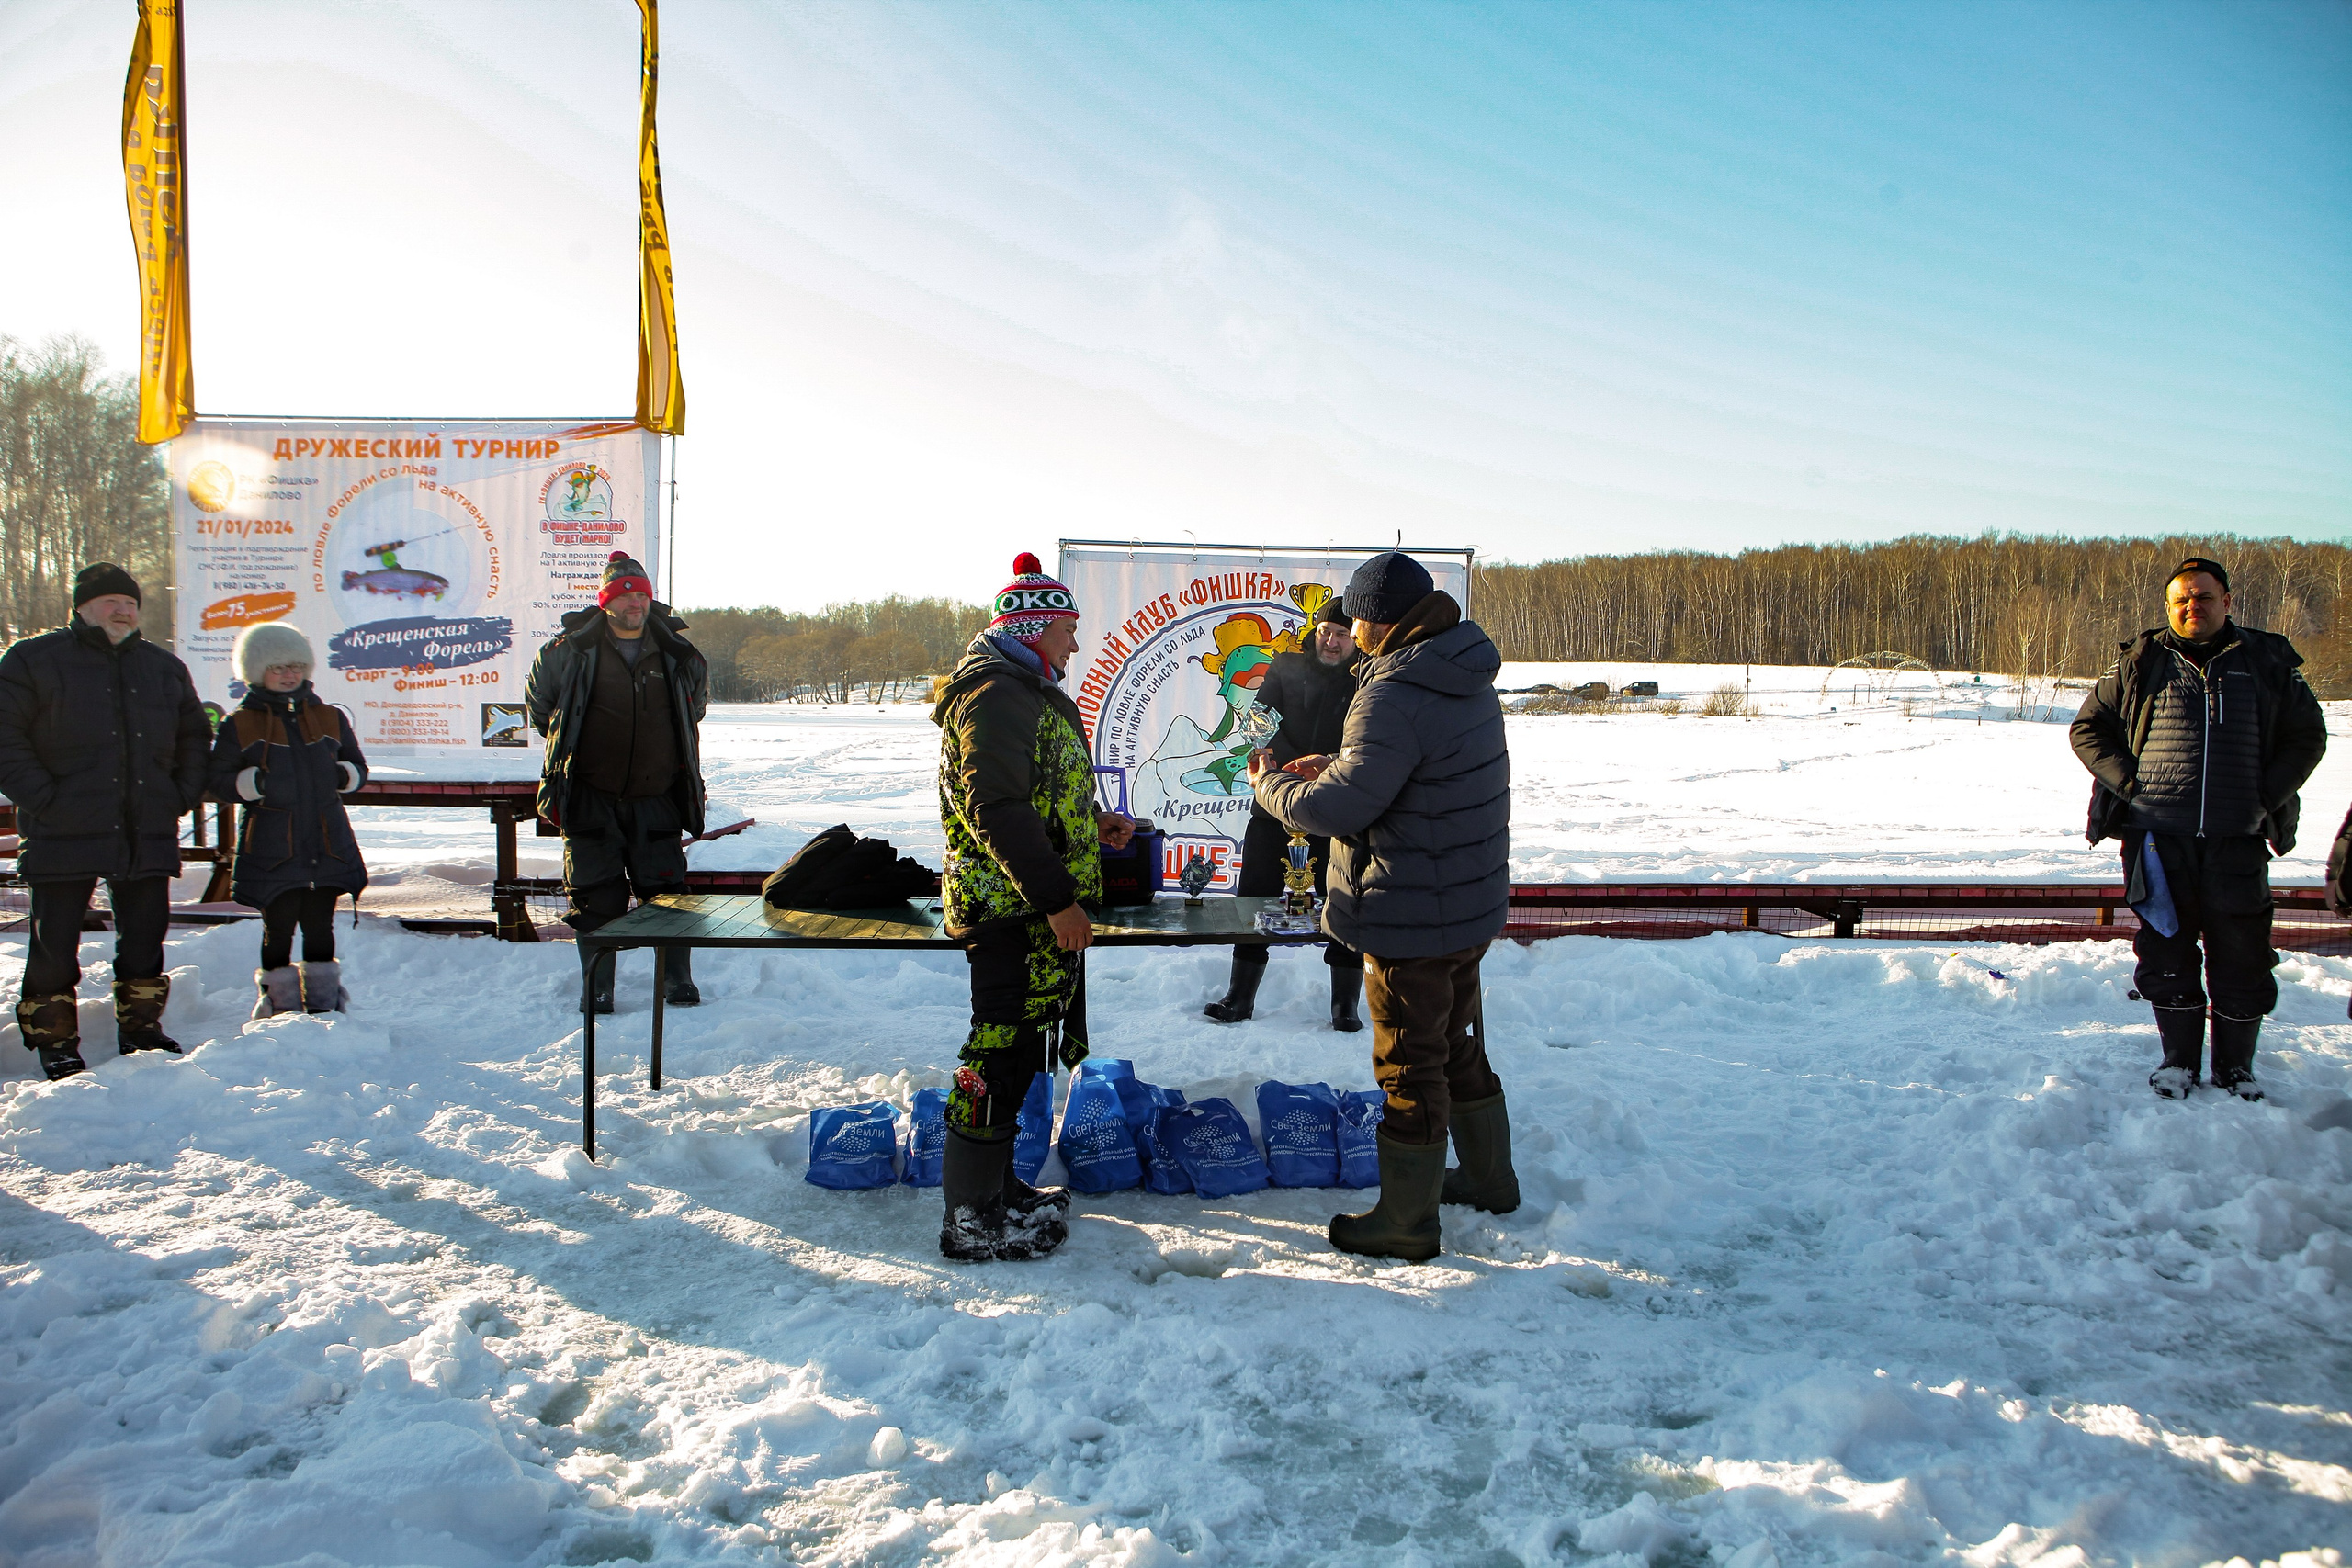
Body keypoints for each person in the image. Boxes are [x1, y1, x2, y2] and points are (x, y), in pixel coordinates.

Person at [1249, 550, 1514, 1261]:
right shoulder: (1456, 668)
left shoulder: (1394, 689)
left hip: (1409, 911)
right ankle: (1491, 1179)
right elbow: (1405, 773)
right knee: (1455, 1043)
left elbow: (1344, 805)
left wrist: (1271, 787)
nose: (1346, 627)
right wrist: (1333, 763)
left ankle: (1405, 1221)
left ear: (1375, 619)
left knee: (1408, 1062)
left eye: (1353, 615)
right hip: (1461, 902)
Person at [933, 553, 1135, 1262]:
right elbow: (995, 806)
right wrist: (1056, 902)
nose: (1075, 645)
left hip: (1028, 909)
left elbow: (1037, 792)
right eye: (1069, 630)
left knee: (1019, 1059)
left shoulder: (1028, 689)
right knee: (996, 1054)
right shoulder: (996, 693)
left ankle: (997, 1188)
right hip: (1010, 912)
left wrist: (1093, 821)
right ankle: (968, 1217)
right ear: (1036, 625)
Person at [2070, 556, 2326, 1100]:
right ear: (2168, 606)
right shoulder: (2142, 662)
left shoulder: (2266, 661)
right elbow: (2088, 729)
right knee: (2166, 951)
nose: (2193, 606)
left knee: (2243, 953)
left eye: (2203, 596)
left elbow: (2308, 735)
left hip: (2239, 838)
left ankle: (2236, 1069)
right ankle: (2178, 1062)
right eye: (2181, 599)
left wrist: (2264, 796)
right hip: (2158, 839)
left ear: (2227, 601)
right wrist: (2132, 786)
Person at [0, 564, 209, 1078]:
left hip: (146, 826)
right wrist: (46, 799)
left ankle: (141, 1029)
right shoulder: (33, 660)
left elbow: (193, 737)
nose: (123, 611)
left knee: (144, 937)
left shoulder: (163, 667)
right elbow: (5, 739)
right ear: (81, 607)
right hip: (62, 827)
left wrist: (176, 796)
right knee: (55, 942)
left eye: (131, 603)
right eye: (111, 601)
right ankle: (55, 1041)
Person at [526, 551, 710, 1014]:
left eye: (641, 595)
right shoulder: (566, 652)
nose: (635, 602)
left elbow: (695, 711)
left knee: (667, 895)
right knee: (594, 896)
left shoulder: (680, 654)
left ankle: (677, 982)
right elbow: (541, 709)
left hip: (657, 798)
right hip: (591, 796)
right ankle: (598, 988)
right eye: (625, 595)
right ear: (606, 601)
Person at [1204, 597, 1365, 1031]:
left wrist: (1328, 763)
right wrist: (1294, 766)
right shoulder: (1284, 667)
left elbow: (1367, 742)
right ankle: (1239, 997)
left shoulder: (1367, 679)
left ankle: (1345, 1006)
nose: (1330, 642)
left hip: (1337, 806)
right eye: (1325, 631)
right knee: (1254, 894)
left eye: (1342, 635)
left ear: (1357, 639)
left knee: (1346, 900)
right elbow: (1260, 724)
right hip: (1275, 798)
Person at [208, 623, 368, 1016]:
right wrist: (252, 782)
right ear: (257, 670)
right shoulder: (239, 723)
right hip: (271, 845)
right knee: (277, 927)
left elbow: (359, 768)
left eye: (296, 664)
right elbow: (218, 780)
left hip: (326, 839)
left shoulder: (329, 717)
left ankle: (324, 1006)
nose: (289, 674)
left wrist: (346, 775)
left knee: (320, 927)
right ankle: (279, 1008)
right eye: (277, 666)